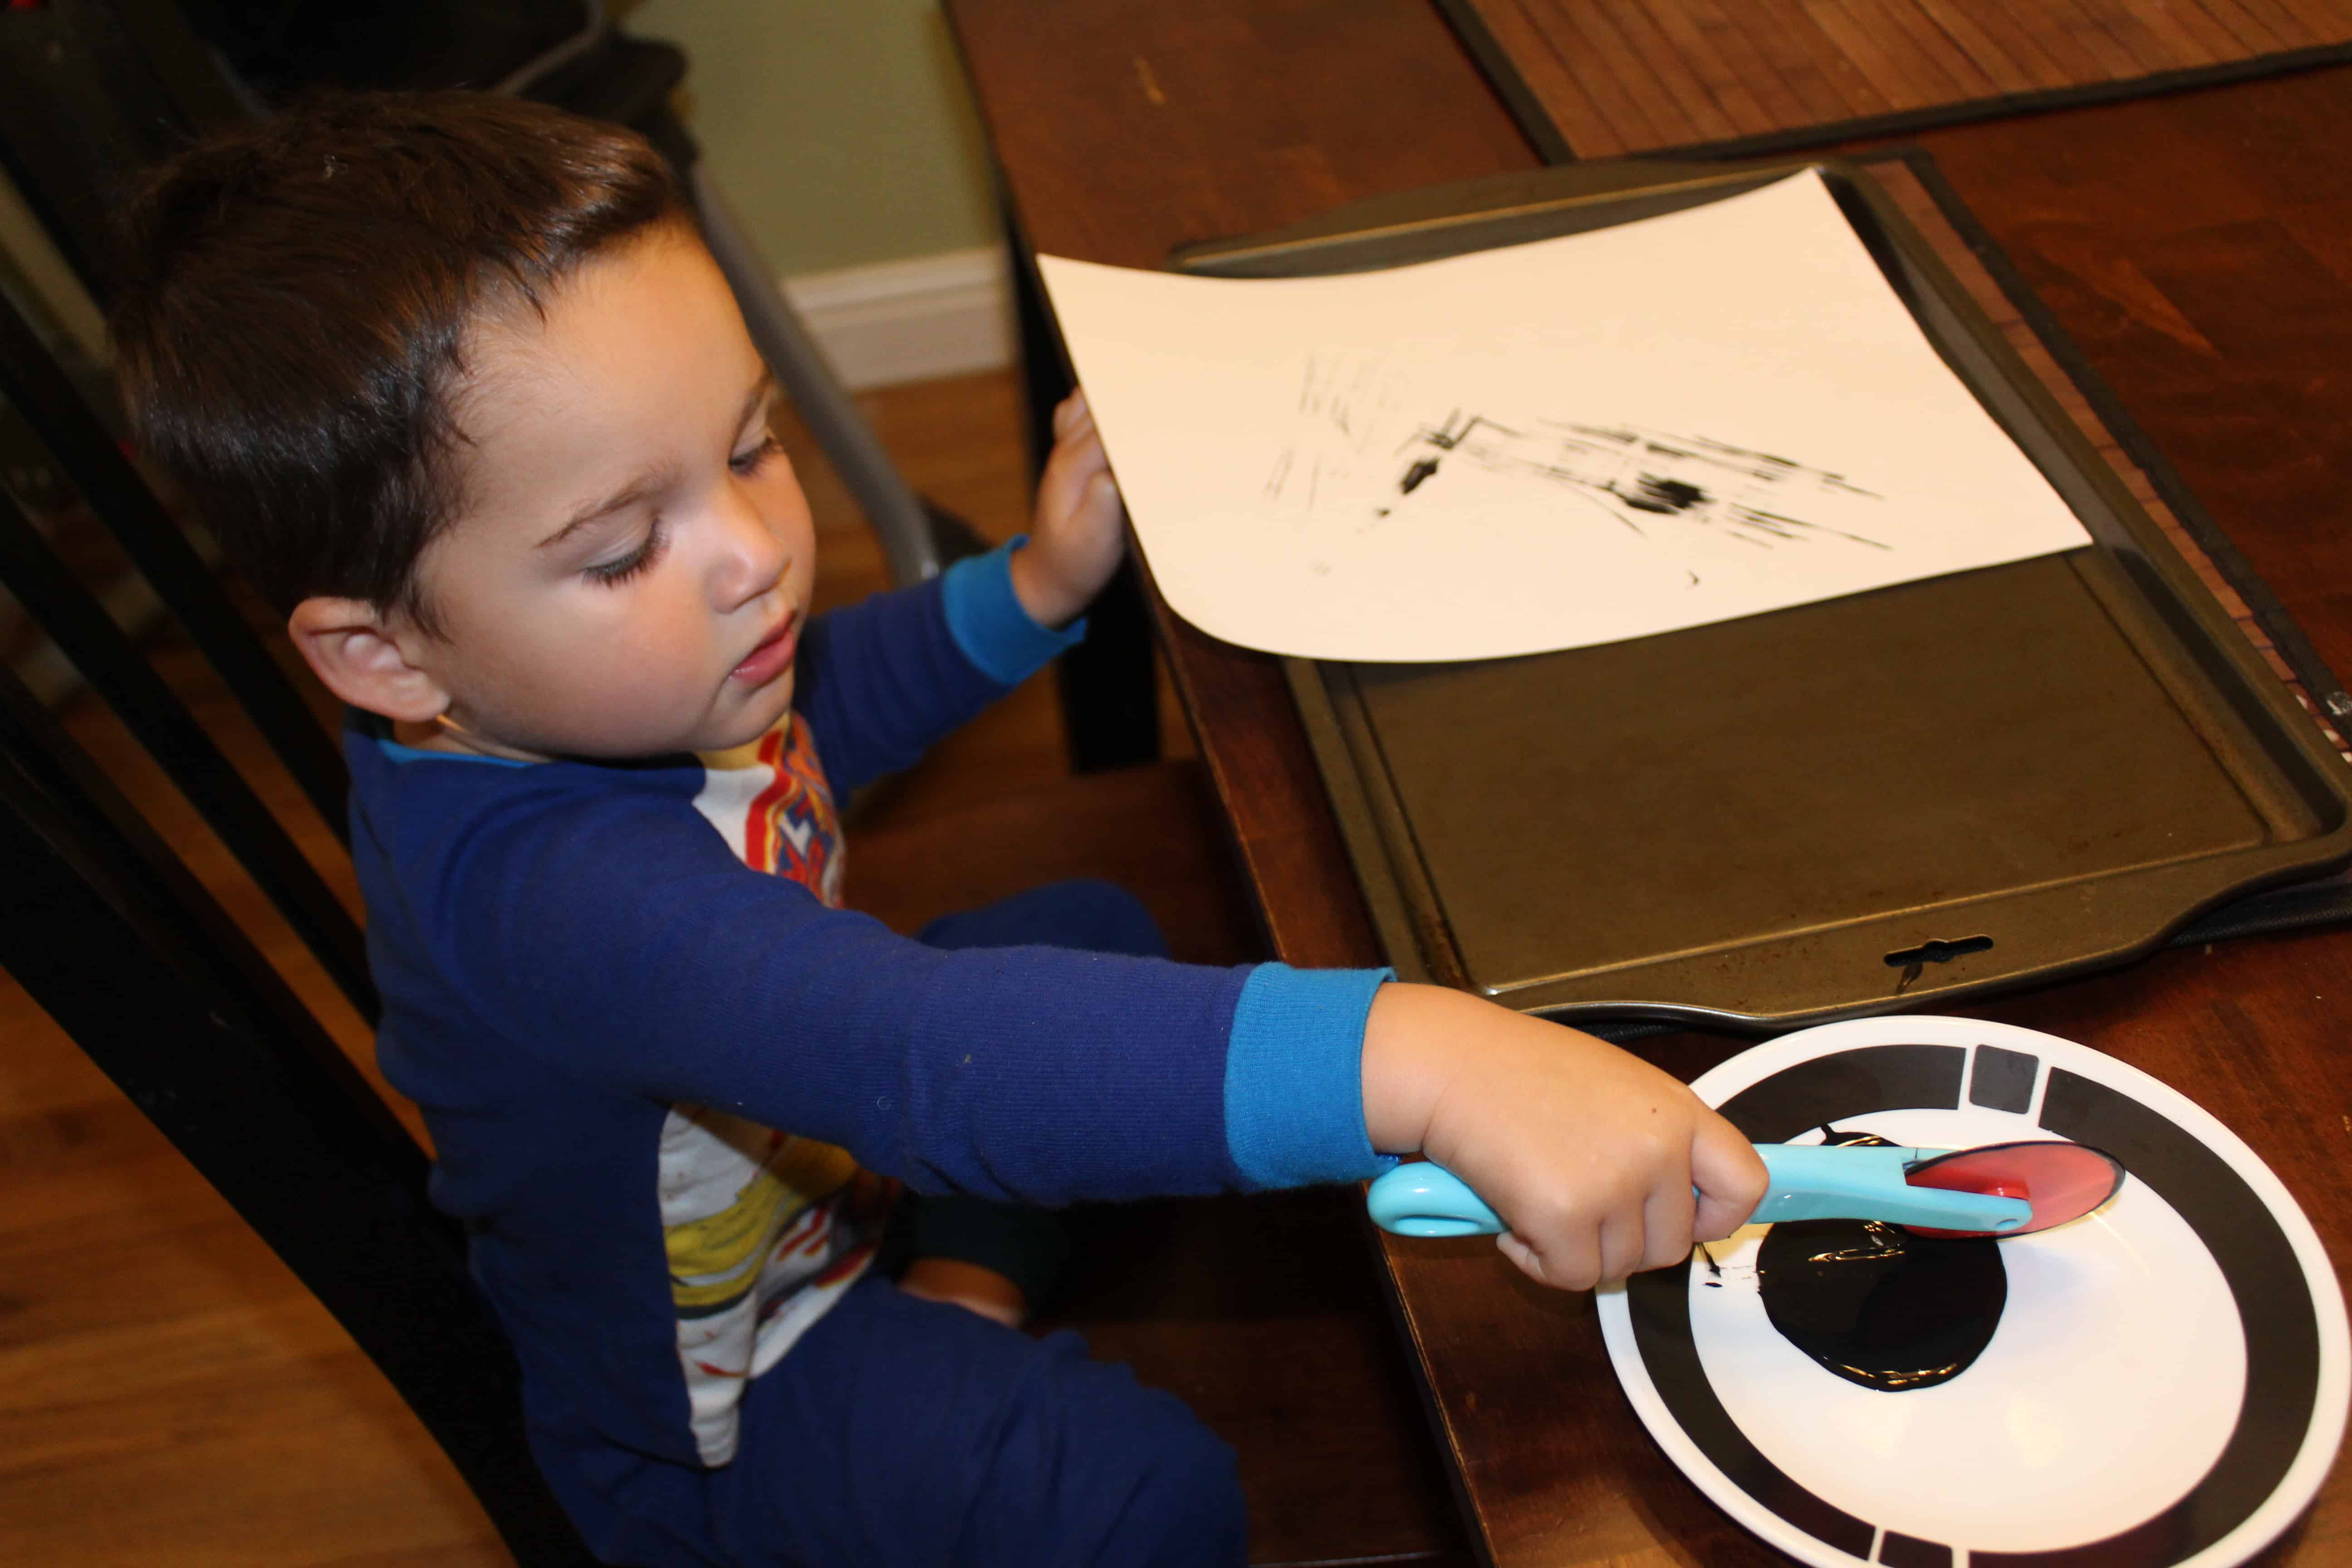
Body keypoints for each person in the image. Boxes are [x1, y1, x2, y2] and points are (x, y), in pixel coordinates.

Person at [109, 91, 1767, 1568]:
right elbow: (919, 1052)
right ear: (382, 656)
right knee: (1140, 1495)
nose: (755, 549)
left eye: (749, 447)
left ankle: (959, 1292)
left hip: (812, 1162)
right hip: (728, 1395)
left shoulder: (618, 679)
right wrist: (1422, 1056)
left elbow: (839, 691)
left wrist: (1034, 589)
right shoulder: (551, 892)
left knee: (1107, 929)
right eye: (624, 545)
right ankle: (954, 1305)